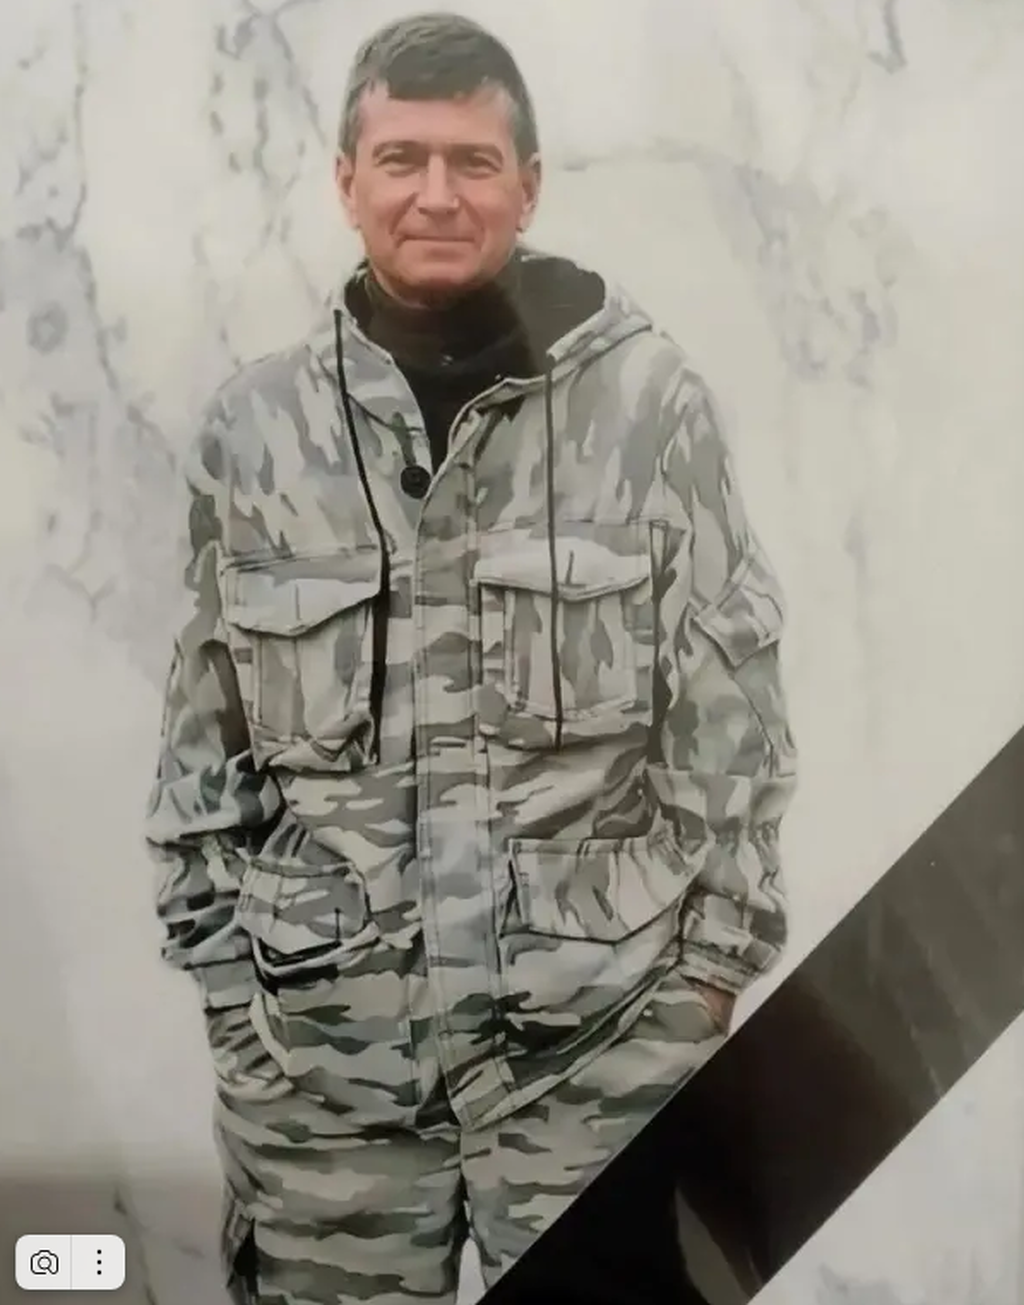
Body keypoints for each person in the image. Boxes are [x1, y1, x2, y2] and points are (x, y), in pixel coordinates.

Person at [144, 11, 798, 1305]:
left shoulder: (647, 409)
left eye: (472, 161)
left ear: (528, 185)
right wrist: (241, 1016)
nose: (436, 193)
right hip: (329, 1101)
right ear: (347, 182)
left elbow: (733, 725)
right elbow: (200, 758)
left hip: (594, 1076)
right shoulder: (257, 434)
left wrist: (701, 994)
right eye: (401, 159)